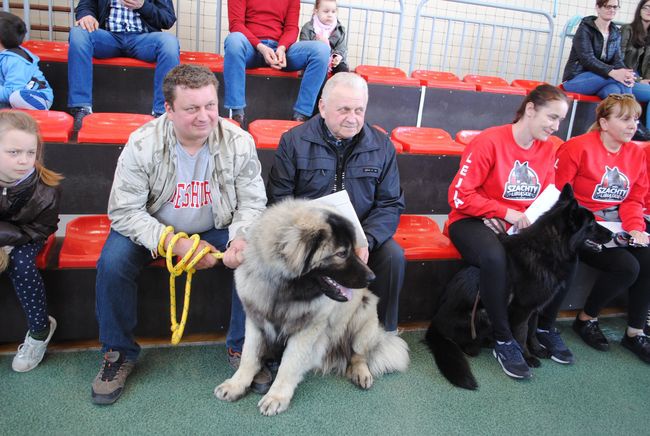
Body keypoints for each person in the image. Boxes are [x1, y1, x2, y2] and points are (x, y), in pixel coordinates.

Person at [90, 64, 268, 405]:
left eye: (210, 106)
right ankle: (118, 353)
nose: (204, 117)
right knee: (112, 263)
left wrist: (241, 239)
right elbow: (124, 212)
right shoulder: (143, 143)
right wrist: (175, 243)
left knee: (255, 260)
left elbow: (252, 202)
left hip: (216, 227)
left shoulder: (239, 142)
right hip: (153, 230)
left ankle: (244, 350)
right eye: (192, 108)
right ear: (169, 110)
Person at [447, 85, 570, 380]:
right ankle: (504, 339)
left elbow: (547, 197)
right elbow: (459, 196)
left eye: (560, 121)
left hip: (520, 223)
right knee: (495, 257)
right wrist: (500, 212)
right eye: (551, 118)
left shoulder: (549, 148)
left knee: (565, 252)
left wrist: (521, 221)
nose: (555, 127)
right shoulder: (489, 141)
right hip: (470, 220)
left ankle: (541, 329)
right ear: (530, 110)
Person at [267, 72, 405, 334]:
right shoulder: (294, 141)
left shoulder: (382, 146)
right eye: (343, 109)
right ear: (322, 107)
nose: (352, 118)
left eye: (358, 110)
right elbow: (279, 200)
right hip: (310, 237)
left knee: (393, 257)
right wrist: (313, 239)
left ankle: (382, 332)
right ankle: (281, 339)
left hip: (362, 235)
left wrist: (368, 240)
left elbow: (390, 204)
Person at [556, 94, 650, 364]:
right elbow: (560, 196)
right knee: (627, 267)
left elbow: (634, 199)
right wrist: (586, 226)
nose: (633, 125)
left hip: (616, 223)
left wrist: (635, 228)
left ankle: (635, 333)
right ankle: (586, 319)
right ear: (604, 123)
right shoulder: (577, 147)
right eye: (624, 119)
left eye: (635, 119)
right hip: (580, 225)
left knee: (648, 258)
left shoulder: (635, 153)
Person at [0, 111, 62, 372]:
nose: (23, 161)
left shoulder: (46, 187)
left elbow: (42, 228)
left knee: (21, 263)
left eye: (30, 153)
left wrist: (6, 243)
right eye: (13, 152)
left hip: (27, 235)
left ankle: (39, 330)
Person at [67, 0, 180, 130]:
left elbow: (167, 19)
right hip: (108, 36)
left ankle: (163, 113)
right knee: (78, 33)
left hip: (144, 39)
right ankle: (81, 107)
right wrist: (86, 15)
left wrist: (143, 6)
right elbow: (86, 5)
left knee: (170, 43)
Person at [224, 0, 330, 127]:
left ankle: (300, 118)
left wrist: (282, 48)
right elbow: (236, 25)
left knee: (322, 50)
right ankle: (237, 115)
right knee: (233, 40)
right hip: (250, 47)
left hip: (280, 50)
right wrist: (261, 47)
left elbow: (291, 28)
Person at [562, 0, 634, 99]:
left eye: (615, 7)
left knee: (614, 92)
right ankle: (631, 110)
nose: (612, 9)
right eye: (607, 6)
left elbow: (617, 60)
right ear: (598, 7)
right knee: (620, 79)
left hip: (603, 78)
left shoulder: (615, 32)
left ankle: (625, 112)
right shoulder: (585, 29)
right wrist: (615, 73)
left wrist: (625, 72)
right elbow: (587, 59)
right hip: (576, 80)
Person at [0, 12, 53, 110]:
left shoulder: (15, 61)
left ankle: (41, 112)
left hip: (35, 96)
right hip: (7, 100)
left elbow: (12, 90)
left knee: (16, 97)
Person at [620, 0, 650, 140]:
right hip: (625, 78)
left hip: (641, 80)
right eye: (646, 7)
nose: (649, 10)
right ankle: (647, 135)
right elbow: (618, 59)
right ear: (640, 9)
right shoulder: (627, 30)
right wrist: (639, 80)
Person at [299, 0, 349, 74]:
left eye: (333, 12)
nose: (330, 15)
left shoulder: (339, 29)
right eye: (326, 11)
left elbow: (341, 47)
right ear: (316, 11)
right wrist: (318, 45)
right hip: (314, 61)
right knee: (319, 68)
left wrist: (337, 56)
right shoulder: (308, 28)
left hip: (334, 62)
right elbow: (303, 47)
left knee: (343, 70)